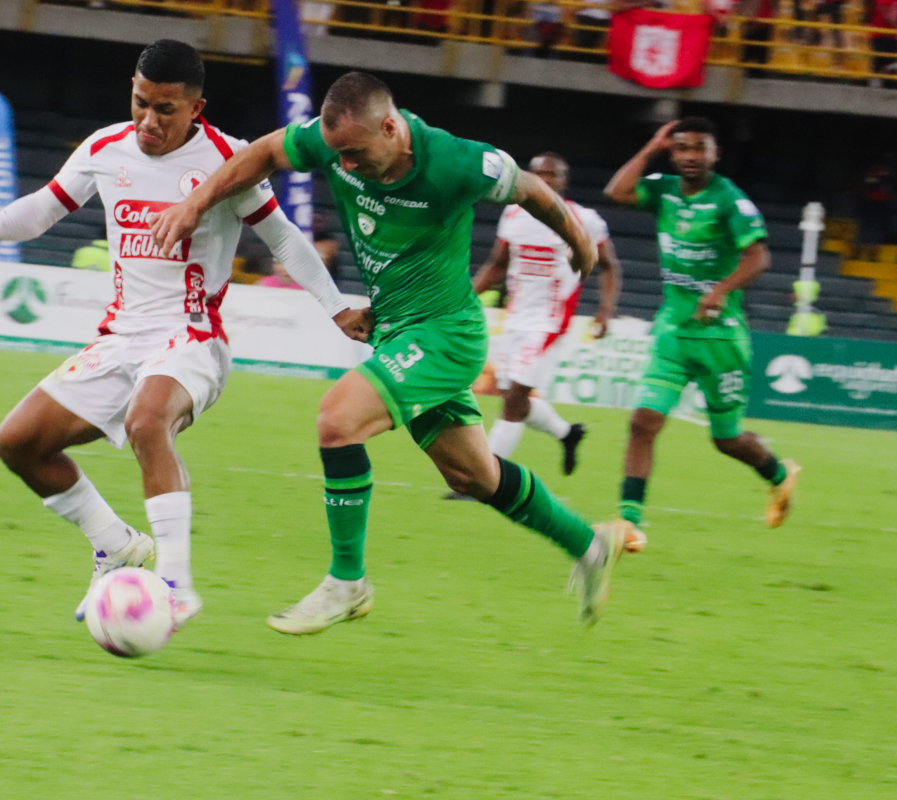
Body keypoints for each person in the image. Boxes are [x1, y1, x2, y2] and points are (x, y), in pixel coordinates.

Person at [153, 71, 631, 632]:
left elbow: (532, 188)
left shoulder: (456, 161)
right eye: (337, 156)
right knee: (474, 477)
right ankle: (588, 544)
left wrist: (576, 239)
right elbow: (262, 153)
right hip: (399, 330)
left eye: (354, 153)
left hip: (444, 334)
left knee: (338, 419)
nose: (345, 167)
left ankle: (347, 582)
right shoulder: (331, 143)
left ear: (391, 126)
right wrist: (193, 205)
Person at [0, 40, 367, 630]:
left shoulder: (227, 159)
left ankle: (176, 586)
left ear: (197, 108)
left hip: (193, 337)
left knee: (148, 422)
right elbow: (45, 208)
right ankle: (115, 544)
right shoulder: (104, 147)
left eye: (165, 110)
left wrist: (335, 306)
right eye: (141, 102)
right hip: (122, 338)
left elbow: (283, 240)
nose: (148, 121)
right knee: (19, 443)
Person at [604, 118, 800, 536]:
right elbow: (616, 192)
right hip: (673, 333)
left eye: (700, 148)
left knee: (726, 440)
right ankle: (629, 522)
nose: (690, 156)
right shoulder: (663, 189)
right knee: (642, 423)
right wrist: (651, 147)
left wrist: (722, 290)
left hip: (720, 338)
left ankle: (779, 473)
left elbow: (758, 256)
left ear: (715, 153)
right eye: (682, 148)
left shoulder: (729, 199)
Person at [471, 152, 622, 476]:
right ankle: (568, 434)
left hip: (550, 323)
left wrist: (605, 311)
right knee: (517, 400)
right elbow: (498, 264)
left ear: (564, 181)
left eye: (554, 174)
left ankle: (484, 479)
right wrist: (464, 296)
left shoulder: (585, 220)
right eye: (540, 173)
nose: (546, 179)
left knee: (512, 401)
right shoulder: (512, 215)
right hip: (515, 321)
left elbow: (609, 266)